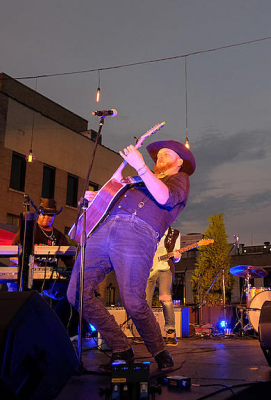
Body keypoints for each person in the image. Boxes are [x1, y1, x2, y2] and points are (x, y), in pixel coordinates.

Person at [67, 140, 195, 371]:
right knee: (76, 293)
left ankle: (159, 350)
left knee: (134, 301)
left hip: (138, 231)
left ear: (180, 162)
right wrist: (95, 199)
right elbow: (106, 203)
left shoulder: (180, 180)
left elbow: (164, 197)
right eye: (158, 156)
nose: (159, 158)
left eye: (166, 154)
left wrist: (141, 167)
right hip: (103, 229)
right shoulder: (132, 183)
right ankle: (121, 347)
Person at [146, 227, 181, 346]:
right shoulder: (148, 229)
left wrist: (177, 256)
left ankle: (171, 332)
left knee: (166, 299)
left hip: (165, 269)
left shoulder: (174, 234)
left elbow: (176, 259)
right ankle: (144, 332)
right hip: (147, 269)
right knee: (144, 302)